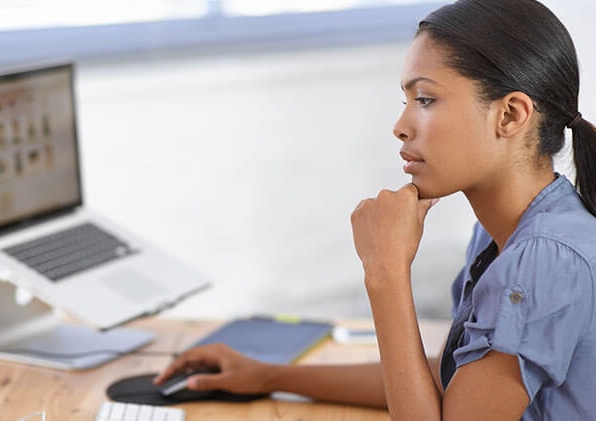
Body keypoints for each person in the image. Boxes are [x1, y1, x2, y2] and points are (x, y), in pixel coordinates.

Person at [153, 0, 596, 419]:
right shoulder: (502, 233)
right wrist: (267, 375)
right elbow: (446, 383)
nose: (401, 127)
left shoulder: (543, 259)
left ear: (510, 115)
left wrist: (385, 272)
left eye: (425, 99)